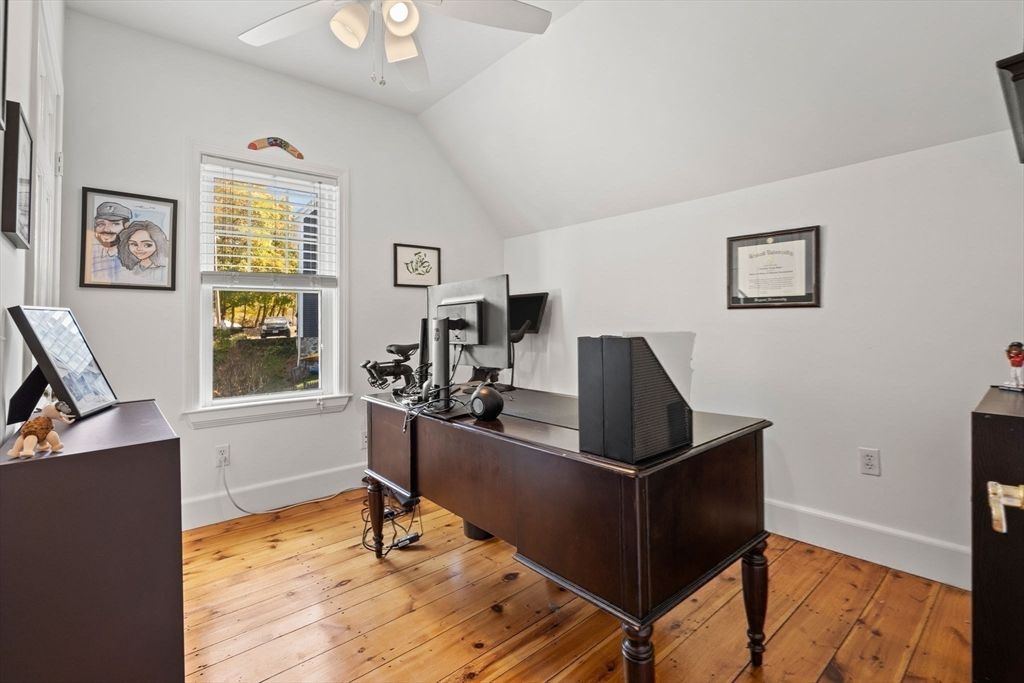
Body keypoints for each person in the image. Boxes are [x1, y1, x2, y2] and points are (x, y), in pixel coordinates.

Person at [87, 201, 132, 282]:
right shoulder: (90, 253)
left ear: (126, 227)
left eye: (115, 224)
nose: (106, 229)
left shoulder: (135, 255)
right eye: (101, 224)